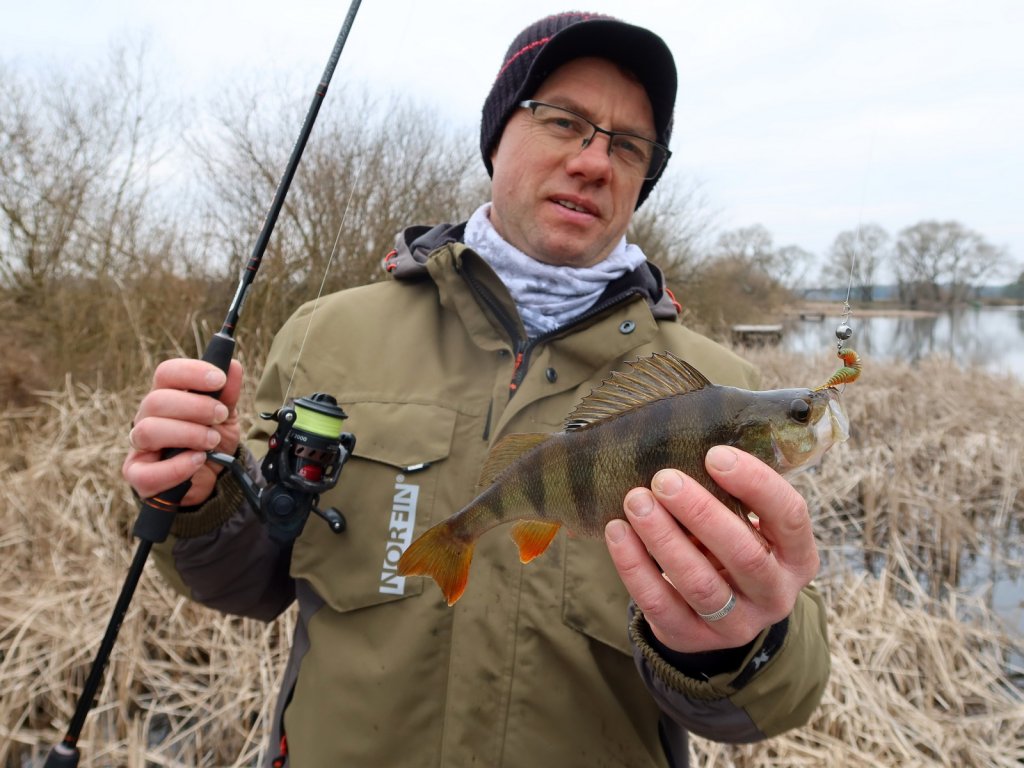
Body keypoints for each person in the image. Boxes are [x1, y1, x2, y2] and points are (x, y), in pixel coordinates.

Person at [123, 12, 829, 767]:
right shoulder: (324, 336)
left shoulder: (723, 390)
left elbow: (781, 698)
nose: (595, 163)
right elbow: (246, 582)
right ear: (498, 136)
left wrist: (742, 642)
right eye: (564, 122)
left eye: (629, 145)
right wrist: (201, 503)